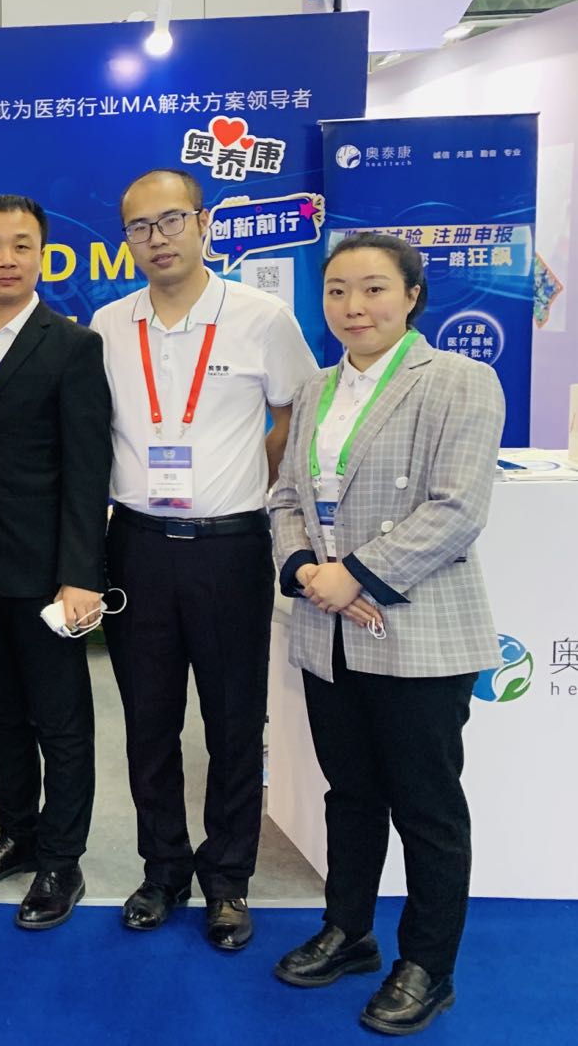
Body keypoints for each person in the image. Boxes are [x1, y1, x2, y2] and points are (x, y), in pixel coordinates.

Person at [269, 233, 504, 1037]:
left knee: (427, 804)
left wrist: (357, 574)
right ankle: (349, 930)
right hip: (327, 628)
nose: (353, 306)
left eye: (373, 288)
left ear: (411, 295)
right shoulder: (316, 387)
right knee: (351, 792)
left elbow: (457, 508)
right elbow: (286, 497)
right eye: (337, 290)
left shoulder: (460, 380)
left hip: (416, 628)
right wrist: (306, 568)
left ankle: (428, 964)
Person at [90, 168, 317, 952]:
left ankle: (227, 879)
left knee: (232, 721)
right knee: (148, 722)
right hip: (138, 546)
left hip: (230, 547)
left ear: (204, 222)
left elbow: (295, 412)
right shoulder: (108, 324)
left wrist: (254, 477)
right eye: (139, 227)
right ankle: (162, 870)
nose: (157, 238)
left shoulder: (261, 317)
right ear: (127, 239)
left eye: (172, 220)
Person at [0, 196, 113, 930]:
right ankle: (17, 833)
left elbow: (88, 468)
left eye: (21, 245)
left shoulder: (71, 345)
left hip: (46, 574)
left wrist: (82, 575)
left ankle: (61, 859)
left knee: (61, 721)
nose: (6, 258)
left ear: (42, 255)